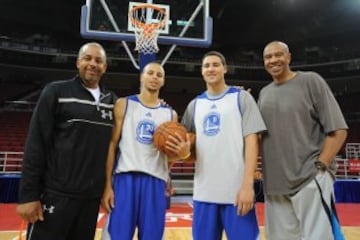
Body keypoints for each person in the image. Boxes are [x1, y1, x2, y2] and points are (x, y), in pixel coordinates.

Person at [16, 42, 118, 240]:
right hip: (55, 195)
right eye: (87, 58)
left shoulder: (113, 101)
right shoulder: (56, 92)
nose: (93, 64)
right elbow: (36, 143)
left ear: (105, 67)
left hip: (90, 200)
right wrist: (29, 196)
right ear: (78, 62)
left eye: (98, 60)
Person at [258, 41, 348, 240]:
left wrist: (320, 167)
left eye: (278, 55)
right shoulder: (264, 93)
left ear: (289, 57)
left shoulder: (310, 81)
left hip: (309, 178)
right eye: (268, 57)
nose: (273, 60)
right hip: (275, 186)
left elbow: (338, 129)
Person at [181, 51, 266, 240]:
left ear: (225, 69)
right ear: (201, 71)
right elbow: (186, 148)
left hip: (236, 194)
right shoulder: (194, 105)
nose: (211, 68)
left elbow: (253, 141)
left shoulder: (242, 98)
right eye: (206, 66)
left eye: (216, 64)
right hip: (204, 194)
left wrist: (247, 185)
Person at [101, 62, 191, 240]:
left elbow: (168, 159)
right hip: (125, 179)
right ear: (142, 77)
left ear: (163, 81)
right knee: (117, 236)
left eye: (159, 75)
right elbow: (112, 145)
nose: (154, 77)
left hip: (156, 182)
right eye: (150, 73)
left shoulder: (170, 114)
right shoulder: (124, 104)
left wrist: (182, 155)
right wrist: (107, 186)